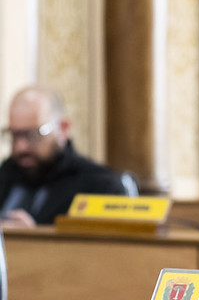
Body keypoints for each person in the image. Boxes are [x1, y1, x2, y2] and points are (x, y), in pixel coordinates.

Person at [0, 85, 128, 228]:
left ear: (64, 128)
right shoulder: (6, 174)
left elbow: (102, 248)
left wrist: (34, 238)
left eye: (34, 134)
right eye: (14, 135)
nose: (21, 146)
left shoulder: (100, 186)